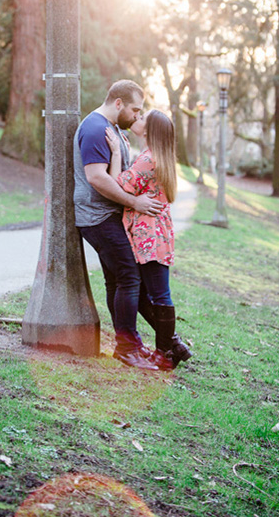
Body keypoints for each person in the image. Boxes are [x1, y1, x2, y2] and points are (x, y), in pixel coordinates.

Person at [72, 80, 168, 371]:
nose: (137, 116)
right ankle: (128, 348)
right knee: (129, 277)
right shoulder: (94, 128)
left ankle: (129, 346)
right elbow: (97, 178)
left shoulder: (113, 129)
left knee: (117, 280)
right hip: (97, 216)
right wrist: (134, 202)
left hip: (107, 215)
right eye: (134, 110)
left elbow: (119, 174)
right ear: (118, 104)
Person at [106, 109, 193, 369]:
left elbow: (115, 186)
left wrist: (115, 154)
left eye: (142, 118)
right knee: (150, 292)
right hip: (155, 233)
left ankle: (166, 352)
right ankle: (171, 345)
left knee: (158, 294)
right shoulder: (158, 157)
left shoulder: (148, 159)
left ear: (149, 130)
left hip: (148, 235)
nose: (137, 119)